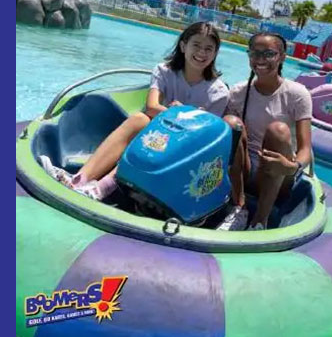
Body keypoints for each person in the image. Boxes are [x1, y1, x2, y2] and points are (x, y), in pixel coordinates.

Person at [43, 22, 230, 199]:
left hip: (184, 155)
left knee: (155, 138)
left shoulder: (218, 92)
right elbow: (151, 107)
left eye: (208, 49)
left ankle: (100, 189)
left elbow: (206, 140)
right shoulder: (164, 71)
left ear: (215, 54)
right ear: (183, 46)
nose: (201, 53)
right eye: (196, 45)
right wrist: (183, 116)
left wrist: (179, 116)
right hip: (153, 136)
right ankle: (79, 180)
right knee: (140, 119)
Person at [217, 32, 313, 231]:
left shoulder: (297, 94)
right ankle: (239, 207)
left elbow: (305, 149)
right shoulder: (238, 92)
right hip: (243, 171)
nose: (260, 60)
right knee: (230, 122)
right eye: (255, 53)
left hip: (280, 172)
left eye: (269, 54)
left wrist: (291, 167)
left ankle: (260, 220)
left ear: (282, 57)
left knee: (278, 130)